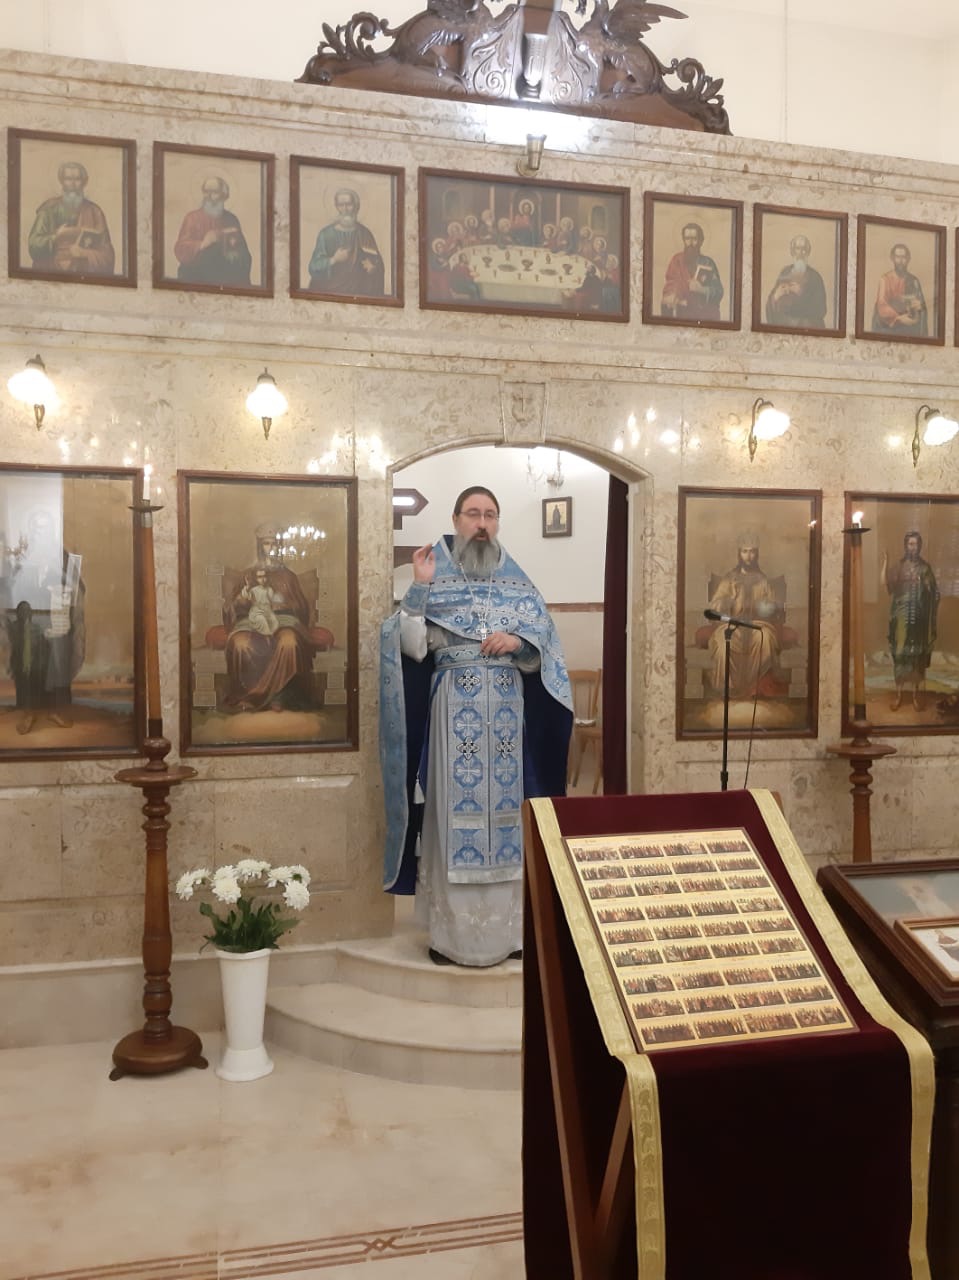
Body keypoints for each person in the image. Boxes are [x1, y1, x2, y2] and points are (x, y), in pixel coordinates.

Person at [379, 487, 573, 967]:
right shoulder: (432, 573)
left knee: (508, 820)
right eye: (473, 514)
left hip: (506, 716)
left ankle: (509, 933)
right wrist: (419, 587)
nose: (482, 523)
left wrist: (518, 641)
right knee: (451, 816)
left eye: (490, 515)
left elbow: (545, 650)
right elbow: (410, 646)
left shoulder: (518, 584)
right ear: (456, 519)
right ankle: (451, 939)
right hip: (453, 713)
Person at [4, 509, 86, 735]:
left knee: (58, 659)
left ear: (51, 532)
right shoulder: (21, 558)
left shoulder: (63, 557)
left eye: (45, 529)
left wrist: (63, 591)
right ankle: (28, 711)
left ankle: (56, 709)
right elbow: (10, 589)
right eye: (37, 529)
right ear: (31, 532)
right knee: (28, 661)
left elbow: (77, 587)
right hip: (28, 619)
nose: (41, 534)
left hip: (57, 619)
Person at [223, 525, 314, 711]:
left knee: (289, 642)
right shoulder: (248, 575)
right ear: (259, 546)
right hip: (251, 621)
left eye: (274, 544)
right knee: (240, 644)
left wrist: (283, 606)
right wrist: (241, 601)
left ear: (279, 547)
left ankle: (280, 696)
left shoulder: (288, 577)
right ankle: (248, 697)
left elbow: (302, 608)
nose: (270, 548)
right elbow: (231, 608)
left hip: (284, 622)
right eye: (266, 544)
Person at [707, 533, 782, 698]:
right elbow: (715, 605)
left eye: (752, 551)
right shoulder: (729, 579)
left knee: (765, 639)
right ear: (739, 554)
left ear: (757, 554)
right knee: (723, 643)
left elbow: (774, 607)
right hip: (732, 623)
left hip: (757, 624)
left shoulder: (763, 580)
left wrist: (765, 606)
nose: (749, 556)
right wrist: (730, 598)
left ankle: (755, 687)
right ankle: (728, 688)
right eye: (745, 551)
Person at [881, 530, 938, 711]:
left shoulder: (925, 568)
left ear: (920, 546)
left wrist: (929, 590)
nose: (913, 547)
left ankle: (915, 695)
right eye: (910, 544)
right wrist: (885, 562)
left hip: (919, 620)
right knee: (900, 654)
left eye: (916, 544)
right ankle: (898, 694)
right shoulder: (898, 567)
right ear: (906, 545)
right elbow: (886, 585)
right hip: (901, 619)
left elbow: (935, 593)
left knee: (917, 656)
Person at [27, 160, 115, 276]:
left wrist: (84, 253)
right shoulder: (48, 209)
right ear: (61, 181)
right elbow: (33, 246)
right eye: (68, 179)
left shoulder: (95, 212)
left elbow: (108, 255)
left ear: (84, 182)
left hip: (83, 274)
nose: (73, 184)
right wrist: (56, 237)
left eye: (77, 179)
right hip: (50, 273)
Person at [173, 176, 252, 287]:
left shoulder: (231, 219)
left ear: (224, 195)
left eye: (214, 192)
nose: (209, 196)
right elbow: (180, 248)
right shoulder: (192, 218)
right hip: (198, 275)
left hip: (224, 276)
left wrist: (234, 254)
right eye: (206, 191)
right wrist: (202, 244)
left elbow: (245, 255)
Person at [308, 187, 385, 297]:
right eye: (341, 205)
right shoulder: (326, 234)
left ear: (355, 206)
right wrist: (334, 259)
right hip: (330, 292)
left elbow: (378, 264)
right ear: (336, 207)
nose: (345, 209)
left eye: (349, 204)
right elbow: (313, 267)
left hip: (359, 292)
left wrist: (373, 268)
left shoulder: (365, 233)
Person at [661, 221, 724, 322]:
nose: (690, 243)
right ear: (683, 240)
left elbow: (718, 291)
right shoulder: (677, 260)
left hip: (703, 316)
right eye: (687, 238)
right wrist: (673, 294)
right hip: (682, 313)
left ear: (701, 241)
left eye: (694, 239)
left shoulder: (708, 263)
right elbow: (670, 283)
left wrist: (701, 290)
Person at [765, 233, 828, 328]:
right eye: (797, 248)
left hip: (805, 328)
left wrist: (800, 294)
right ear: (793, 251)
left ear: (808, 252)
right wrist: (775, 297)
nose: (800, 253)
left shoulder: (815, 277)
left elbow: (821, 310)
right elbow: (771, 304)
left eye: (804, 249)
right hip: (783, 327)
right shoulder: (785, 272)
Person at [872, 243, 927, 335]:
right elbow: (882, 304)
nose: (900, 261)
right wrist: (898, 318)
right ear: (892, 258)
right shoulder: (885, 279)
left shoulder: (914, 281)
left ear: (908, 259)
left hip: (909, 326)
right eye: (898, 257)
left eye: (903, 257)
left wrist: (919, 306)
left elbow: (921, 307)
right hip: (888, 327)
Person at [241, 566, 280, 637]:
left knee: (274, 622)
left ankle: (271, 635)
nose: (262, 579)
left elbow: (272, 601)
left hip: (267, 611)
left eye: (264, 576)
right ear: (256, 579)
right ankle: (268, 638)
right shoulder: (254, 590)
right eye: (260, 577)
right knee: (262, 621)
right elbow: (246, 596)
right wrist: (247, 586)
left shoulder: (269, 589)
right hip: (257, 612)